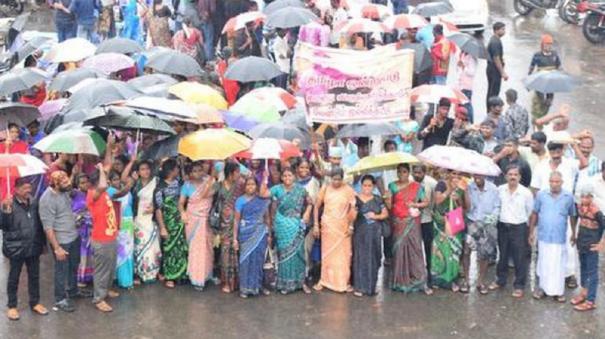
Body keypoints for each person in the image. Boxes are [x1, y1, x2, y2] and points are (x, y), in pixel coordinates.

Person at [40, 171, 91, 313]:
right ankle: (60, 298)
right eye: (65, 184)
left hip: (73, 235)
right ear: (55, 184)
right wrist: (56, 248)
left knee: (74, 265)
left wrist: (77, 217)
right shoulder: (47, 199)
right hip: (61, 240)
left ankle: (73, 291)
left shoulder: (63, 192)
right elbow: (48, 227)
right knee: (61, 270)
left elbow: (66, 212)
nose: (69, 187)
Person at [1, 178, 48, 320]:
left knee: (34, 276)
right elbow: (3, 226)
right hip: (16, 248)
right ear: (16, 189)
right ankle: (12, 306)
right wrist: (5, 211)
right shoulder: (7, 204)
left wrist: (43, 244)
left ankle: (35, 302)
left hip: (33, 246)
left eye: (29, 188)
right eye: (25, 188)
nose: (28, 191)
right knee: (14, 277)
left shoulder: (34, 202)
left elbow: (39, 225)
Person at [530, 171, 577, 302]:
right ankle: (542, 289)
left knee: (558, 264)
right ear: (549, 182)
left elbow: (572, 215)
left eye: (557, 182)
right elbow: (535, 213)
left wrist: (574, 233)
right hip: (544, 235)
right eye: (552, 181)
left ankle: (558, 292)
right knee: (543, 263)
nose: (554, 184)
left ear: (562, 182)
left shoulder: (568, 196)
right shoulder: (541, 195)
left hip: (559, 236)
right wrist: (531, 232)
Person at [489, 165, 534, 298]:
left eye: (515, 174)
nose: (513, 177)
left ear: (520, 177)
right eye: (510, 174)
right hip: (502, 225)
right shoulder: (500, 190)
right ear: (506, 176)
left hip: (519, 227)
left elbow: (530, 213)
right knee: (502, 255)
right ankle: (500, 280)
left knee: (519, 257)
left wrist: (530, 232)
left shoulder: (526, 193)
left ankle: (519, 285)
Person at [386, 164, 429, 294]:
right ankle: (399, 281)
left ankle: (418, 280)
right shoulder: (392, 186)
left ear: (408, 173)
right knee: (399, 250)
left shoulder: (416, 186)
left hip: (412, 222)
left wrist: (415, 204)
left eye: (404, 172)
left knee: (415, 249)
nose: (401, 174)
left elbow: (426, 202)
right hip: (398, 222)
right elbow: (389, 206)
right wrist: (387, 199)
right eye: (399, 172)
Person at [313, 167, 357, 293]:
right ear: (330, 178)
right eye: (334, 179)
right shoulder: (325, 188)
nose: (336, 182)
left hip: (343, 228)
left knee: (344, 256)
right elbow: (317, 206)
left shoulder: (348, 190)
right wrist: (316, 224)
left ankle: (343, 282)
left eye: (339, 179)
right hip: (328, 227)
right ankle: (325, 281)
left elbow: (354, 208)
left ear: (342, 179)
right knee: (327, 256)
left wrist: (351, 225)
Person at [270, 167, 313, 295]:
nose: (287, 178)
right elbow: (263, 194)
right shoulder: (277, 189)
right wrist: (265, 177)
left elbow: (310, 202)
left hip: (296, 224)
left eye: (290, 176)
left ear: (294, 177)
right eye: (285, 176)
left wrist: (307, 213)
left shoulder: (301, 190)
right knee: (284, 254)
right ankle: (285, 283)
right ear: (282, 178)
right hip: (282, 225)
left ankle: (301, 282)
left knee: (298, 253)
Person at [86, 164, 121, 313]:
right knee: (101, 270)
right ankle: (99, 299)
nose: (106, 181)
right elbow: (102, 184)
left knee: (110, 267)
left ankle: (106, 290)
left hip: (110, 236)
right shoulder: (93, 194)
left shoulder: (104, 192)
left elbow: (107, 167)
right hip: (101, 239)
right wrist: (101, 170)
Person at [178, 161, 216, 290]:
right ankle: (196, 277)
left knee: (207, 248)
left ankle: (206, 274)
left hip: (206, 219)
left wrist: (212, 178)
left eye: (200, 170)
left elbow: (207, 195)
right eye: (194, 171)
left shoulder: (210, 181)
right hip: (192, 219)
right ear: (190, 173)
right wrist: (182, 212)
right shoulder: (187, 185)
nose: (198, 173)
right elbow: (181, 202)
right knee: (196, 249)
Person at [461, 175, 500, 294]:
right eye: (475, 174)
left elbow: (497, 206)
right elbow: (466, 207)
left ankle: (480, 282)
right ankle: (466, 281)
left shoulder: (493, 188)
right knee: (466, 251)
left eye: (480, 174)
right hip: (471, 222)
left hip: (487, 224)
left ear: (484, 175)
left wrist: (493, 216)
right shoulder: (468, 187)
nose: (477, 177)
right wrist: (465, 192)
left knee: (484, 254)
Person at [233, 177, 271, 298]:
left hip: (260, 233)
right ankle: (244, 288)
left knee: (258, 260)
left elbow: (267, 218)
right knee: (245, 261)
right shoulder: (240, 201)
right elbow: (236, 220)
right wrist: (235, 238)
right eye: (248, 185)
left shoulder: (261, 200)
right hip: (245, 233)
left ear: (257, 186)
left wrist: (269, 234)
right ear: (244, 186)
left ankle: (256, 287)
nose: (250, 187)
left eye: (253, 184)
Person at [352, 175, 388, 297]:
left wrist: (375, 216)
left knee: (374, 258)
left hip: (374, 234)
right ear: (361, 186)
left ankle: (371, 287)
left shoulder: (378, 199)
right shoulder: (355, 199)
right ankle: (359, 287)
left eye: (369, 185)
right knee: (360, 258)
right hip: (360, 233)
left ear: (373, 186)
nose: (367, 188)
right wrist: (353, 209)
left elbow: (385, 214)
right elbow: (351, 218)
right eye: (365, 185)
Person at [154, 159, 188, 289]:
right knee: (169, 249)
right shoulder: (160, 188)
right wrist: (162, 227)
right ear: (171, 170)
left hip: (180, 221)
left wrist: (183, 164)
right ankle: (169, 276)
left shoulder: (179, 183)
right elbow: (158, 209)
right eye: (177, 168)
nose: (178, 171)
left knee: (180, 248)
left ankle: (181, 274)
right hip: (168, 223)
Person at [570, 185, 605, 311]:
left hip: (592, 245)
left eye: (587, 197)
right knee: (583, 269)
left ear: (591, 197)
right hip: (582, 243)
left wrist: (602, 243)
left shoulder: (597, 211)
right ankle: (584, 292)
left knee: (592, 272)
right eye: (582, 196)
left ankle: (591, 300)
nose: (584, 199)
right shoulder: (579, 207)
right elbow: (574, 218)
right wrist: (574, 234)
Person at [431, 170, 467, 292]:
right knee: (439, 251)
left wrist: (458, 198)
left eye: (458, 174)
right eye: (453, 174)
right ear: (448, 174)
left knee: (453, 252)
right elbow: (437, 200)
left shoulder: (462, 187)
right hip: (440, 224)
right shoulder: (441, 184)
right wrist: (450, 190)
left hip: (454, 223)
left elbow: (466, 207)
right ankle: (437, 280)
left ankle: (451, 280)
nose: (456, 176)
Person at [215, 162, 246, 293]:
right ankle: (227, 281)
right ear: (230, 173)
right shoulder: (219, 185)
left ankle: (237, 281)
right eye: (237, 172)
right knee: (225, 252)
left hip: (238, 221)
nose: (239, 174)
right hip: (224, 223)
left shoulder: (240, 185)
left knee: (237, 250)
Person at [132, 160, 161, 283]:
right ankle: (139, 272)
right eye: (142, 169)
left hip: (151, 219)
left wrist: (155, 208)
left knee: (153, 246)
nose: (146, 171)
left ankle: (153, 272)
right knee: (139, 246)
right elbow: (132, 202)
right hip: (139, 219)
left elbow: (161, 198)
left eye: (147, 168)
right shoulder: (136, 185)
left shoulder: (156, 182)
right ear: (138, 172)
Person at [107, 165, 136, 289]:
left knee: (129, 252)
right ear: (109, 181)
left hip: (128, 223)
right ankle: (122, 280)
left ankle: (128, 278)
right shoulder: (110, 191)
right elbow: (121, 194)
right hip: (119, 224)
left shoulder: (124, 188)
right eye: (114, 180)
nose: (117, 182)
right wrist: (132, 182)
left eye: (118, 179)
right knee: (122, 252)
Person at [412, 164, 437, 288]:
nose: (416, 175)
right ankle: (416, 274)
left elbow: (435, 201)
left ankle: (430, 274)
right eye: (415, 172)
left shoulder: (432, 183)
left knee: (428, 247)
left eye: (419, 173)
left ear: (424, 172)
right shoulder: (410, 182)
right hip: (412, 221)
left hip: (427, 220)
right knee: (415, 248)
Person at [528, 34, 561, 123]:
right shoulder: (537, 55)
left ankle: (544, 119)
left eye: (550, 44)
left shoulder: (554, 54)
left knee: (548, 101)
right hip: (541, 81)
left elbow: (559, 66)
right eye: (547, 44)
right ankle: (537, 120)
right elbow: (531, 67)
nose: (549, 46)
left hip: (551, 82)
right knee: (540, 101)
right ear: (542, 45)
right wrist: (529, 79)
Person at [72, 174, 94, 287]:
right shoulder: (75, 194)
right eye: (82, 183)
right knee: (82, 254)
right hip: (81, 229)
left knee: (91, 253)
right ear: (77, 185)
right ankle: (81, 278)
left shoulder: (91, 194)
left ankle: (89, 276)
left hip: (91, 228)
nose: (85, 184)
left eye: (86, 182)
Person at [486, 22, 507, 106]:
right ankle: (492, 109)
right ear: (496, 30)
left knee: (491, 91)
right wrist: (502, 72)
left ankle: (489, 109)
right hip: (494, 70)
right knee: (494, 92)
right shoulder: (495, 42)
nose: (504, 31)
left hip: (491, 69)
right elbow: (496, 58)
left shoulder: (494, 39)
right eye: (502, 29)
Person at [457, 51, 477, 123]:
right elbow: (459, 70)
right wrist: (459, 65)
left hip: (467, 86)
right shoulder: (462, 55)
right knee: (461, 105)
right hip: (460, 85)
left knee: (467, 105)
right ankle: (462, 121)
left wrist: (464, 66)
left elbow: (471, 72)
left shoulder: (471, 58)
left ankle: (471, 121)